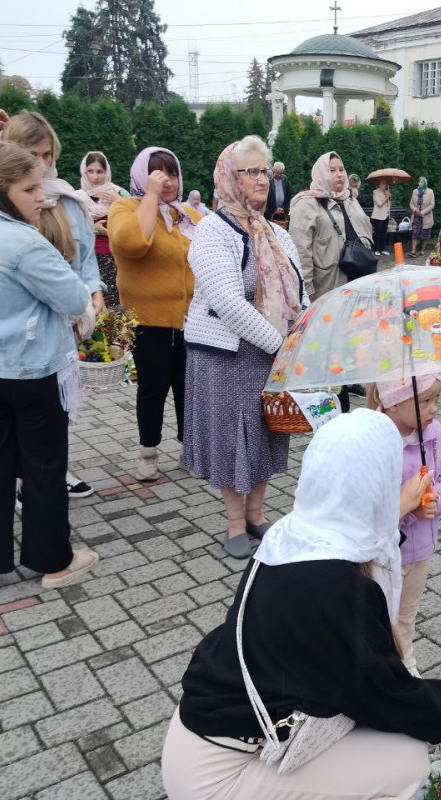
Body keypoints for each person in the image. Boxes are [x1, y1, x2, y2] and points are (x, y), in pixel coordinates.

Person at [162, 409, 441, 800]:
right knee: (405, 761)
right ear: (378, 484)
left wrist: (397, 510)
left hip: (202, 738)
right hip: (216, 779)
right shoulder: (340, 587)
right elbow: (383, 693)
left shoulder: (292, 538)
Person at [0, 141, 101, 599]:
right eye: (29, 189)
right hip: (30, 372)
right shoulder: (23, 242)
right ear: (2, 191)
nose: (41, 198)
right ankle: (53, 562)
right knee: (44, 466)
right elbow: (73, 299)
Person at [0, 109, 105, 501]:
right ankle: (32, 489)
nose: (42, 164)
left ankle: (43, 476)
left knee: (54, 413)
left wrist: (94, 288)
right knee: (22, 421)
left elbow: (84, 256)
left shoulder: (66, 198)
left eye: (48, 154)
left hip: (63, 315)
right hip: (20, 332)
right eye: (31, 154)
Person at [184, 136, 308, 560]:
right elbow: (227, 301)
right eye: (251, 172)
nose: (261, 180)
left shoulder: (276, 233)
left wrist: (304, 331)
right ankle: (235, 523)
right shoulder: (211, 229)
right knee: (232, 440)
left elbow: (298, 289)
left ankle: (256, 515)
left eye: (264, 171)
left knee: (265, 436)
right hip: (226, 355)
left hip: (269, 356)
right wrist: (282, 345)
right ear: (229, 178)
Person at [108, 147, 202, 481]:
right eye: (157, 174)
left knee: (188, 386)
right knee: (152, 386)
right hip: (145, 319)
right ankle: (148, 450)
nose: (167, 181)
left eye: (171, 173)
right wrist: (149, 195)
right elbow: (133, 243)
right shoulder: (125, 207)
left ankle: (189, 447)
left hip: (190, 320)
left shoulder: (189, 214)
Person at [368, 371, 441, 676]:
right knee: (379, 617)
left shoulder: (434, 434)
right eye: (425, 400)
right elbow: (370, 500)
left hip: (420, 551)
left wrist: (438, 499)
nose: (435, 408)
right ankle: (377, 670)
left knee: (406, 615)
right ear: (394, 402)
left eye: (437, 398)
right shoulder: (375, 440)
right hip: (381, 556)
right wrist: (409, 509)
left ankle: (406, 666)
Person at [289, 152, 373, 413]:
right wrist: (309, 294)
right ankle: (335, 404)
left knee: (349, 342)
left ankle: (346, 385)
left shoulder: (350, 200)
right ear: (322, 174)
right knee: (328, 349)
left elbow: (365, 232)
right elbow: (299, 251)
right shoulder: (307, 204)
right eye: (333, 170)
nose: (339, 175)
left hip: (356, 287)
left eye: (342, 169)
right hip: (327, 290)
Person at [80, 151, 130, 309]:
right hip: (89, 260)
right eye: (90, 171)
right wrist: (93, 229)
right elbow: (70, 230)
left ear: (106, 172)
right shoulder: (77, 197)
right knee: (95, 309)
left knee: (117, 308)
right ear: (84, 172)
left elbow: (134, 222)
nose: (95, 177)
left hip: (117, 259)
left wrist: (118, 202)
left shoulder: (120, 193)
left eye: (100, 171)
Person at [408, 176, 435, 257]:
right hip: (416, 216)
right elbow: (411, 203)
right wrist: (415, 210)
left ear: (425, 183)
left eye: (422, 182)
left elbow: (432, 205)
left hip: (425, 217)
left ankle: (423, 251)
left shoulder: (430, 192)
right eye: (419, 182)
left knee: (424, 235)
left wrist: (423, 212)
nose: (420, 183)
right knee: (414, 234)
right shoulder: (414, 191)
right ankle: (413, 251)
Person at [370, 178, 391, 256]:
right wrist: (386, 197)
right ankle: (376, 249)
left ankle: (382, 249)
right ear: (379, 184)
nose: (385, 185)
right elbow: (379, 204)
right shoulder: (375, 192)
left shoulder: (386, 192)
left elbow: (388, 205)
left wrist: (389, 197)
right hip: (377, 216)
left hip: (385, 215)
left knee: (383, 233)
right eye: (383, 183)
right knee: (377, 234)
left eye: (386, 184)